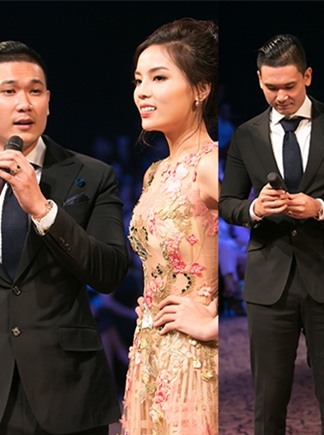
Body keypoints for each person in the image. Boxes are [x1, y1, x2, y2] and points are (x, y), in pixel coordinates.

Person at [219, 34, 324, 435]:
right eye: (271, 87)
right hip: (268, 282)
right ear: (259, 80)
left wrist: (320, 207)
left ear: (307, 76)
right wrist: (255, 209)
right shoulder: (246, 134)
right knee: (268, 406)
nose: (281, 96)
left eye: (289, 86)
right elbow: (227, 202)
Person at [0, 41, 129, 434]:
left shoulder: (92, 175)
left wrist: (43, 210)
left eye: (35, 91)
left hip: (68, 389)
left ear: (48, 101)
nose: (24, 104)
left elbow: (109, 271)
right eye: (9, 91)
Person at [120, 18, 219, 434]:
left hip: (194, 356)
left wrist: (213, 322)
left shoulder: (210, 164)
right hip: (151, 350)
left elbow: (271, 248)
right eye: (139, 80)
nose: (142, 91)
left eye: (159, 78)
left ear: (201, 89)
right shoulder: (155, 173)